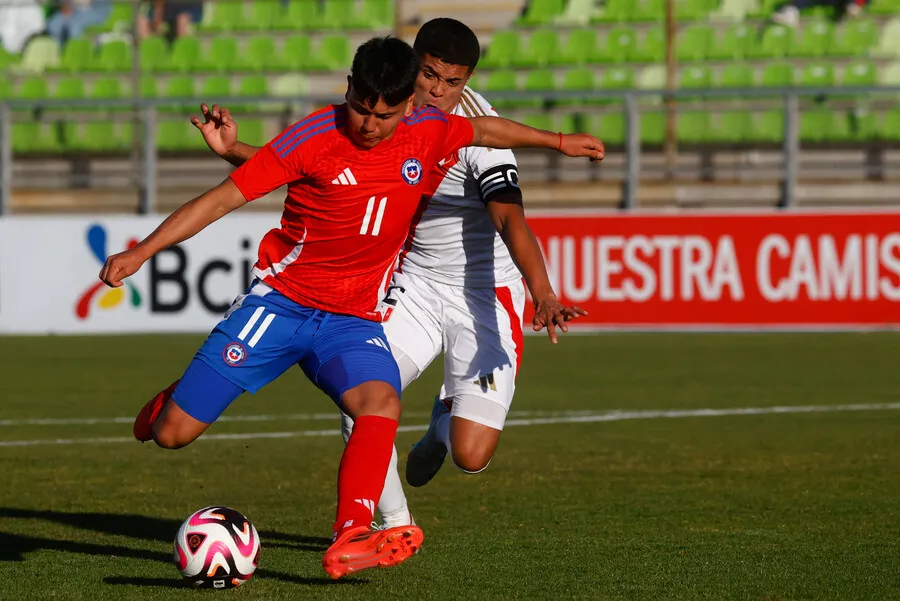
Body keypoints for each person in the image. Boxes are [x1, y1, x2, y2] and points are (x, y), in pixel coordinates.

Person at [100, 36, 605, 579]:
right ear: (349, 89)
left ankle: (354, 533)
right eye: (362, 108)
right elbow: (222, 198)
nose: (369, 123)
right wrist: (142, 251)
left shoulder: (429, 131)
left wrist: (558, 141)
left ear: (406, 108)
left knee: (379, 403)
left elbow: (485, 130)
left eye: (383, 115)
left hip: (352, 319)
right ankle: (169, 404)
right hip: (282, 306)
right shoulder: (312, 136)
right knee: (174, 433)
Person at [192, 18, 587, 532]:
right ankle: (395, 524)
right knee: (360, 400)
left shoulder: (477, 133)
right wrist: (234, 154)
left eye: (453, 83)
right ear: (412, 63)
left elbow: (510, 216)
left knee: (471, 454)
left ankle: (441, 426)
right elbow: (316, 167)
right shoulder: (386, 109)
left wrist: (545, 293)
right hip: (414, 286)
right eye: (429, 76)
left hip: (484, 294)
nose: (438, 91)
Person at [46, 0, 111, 45]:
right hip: (74, 11)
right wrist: (66, 7)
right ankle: (60, 54)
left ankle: (76, 53)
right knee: (53, 24)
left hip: (95, 10)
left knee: (74, 26)